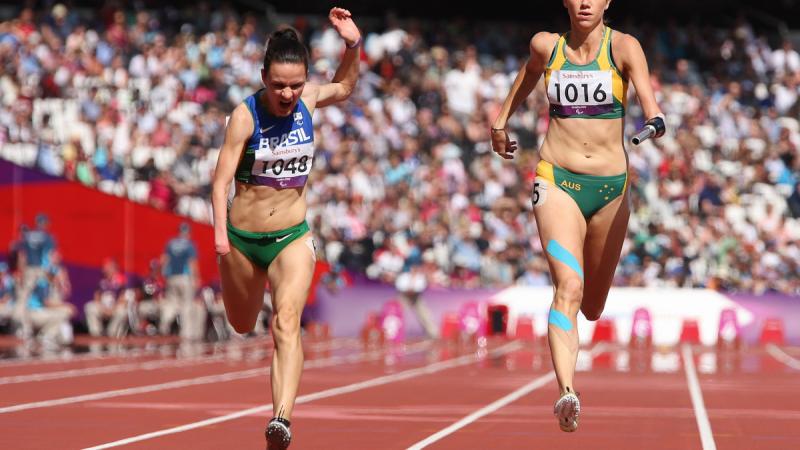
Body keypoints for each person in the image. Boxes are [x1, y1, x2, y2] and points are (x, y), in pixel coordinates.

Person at [490, 0, 664, 433]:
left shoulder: (624, 47)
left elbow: (649, 100)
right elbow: (529, 76)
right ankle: (567, 391)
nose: (585, 3)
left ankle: (572, 366)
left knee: (592, 304)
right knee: (567, 286)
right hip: (557, 179)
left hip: (609, 190)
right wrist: (500, 121)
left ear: (607, 2)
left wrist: (653, 121)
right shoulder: (546, 46)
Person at [210, 8, 361, 450]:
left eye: (295, 84)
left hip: (292, 237)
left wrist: (352, 45)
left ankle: (281, 419)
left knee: (287, 321)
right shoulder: (245, 115)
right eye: (278, 85)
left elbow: (347, 86)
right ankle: (279, 413)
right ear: (263, 77)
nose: (288, 93)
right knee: (240, 323)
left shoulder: (310, 100)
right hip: (240, 241)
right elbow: (219, 182)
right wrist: (220, 236)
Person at [160, 222, 203, 340]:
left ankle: (164, 325)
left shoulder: (171, 243)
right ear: (188, 232)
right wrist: (197, 277)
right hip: (185, 277)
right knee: (186, 305)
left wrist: (163, 275)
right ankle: (186, 333)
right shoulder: (189, 245)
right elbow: (192, 262)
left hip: (171, 277)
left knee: (171, 303)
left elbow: (164, 259)